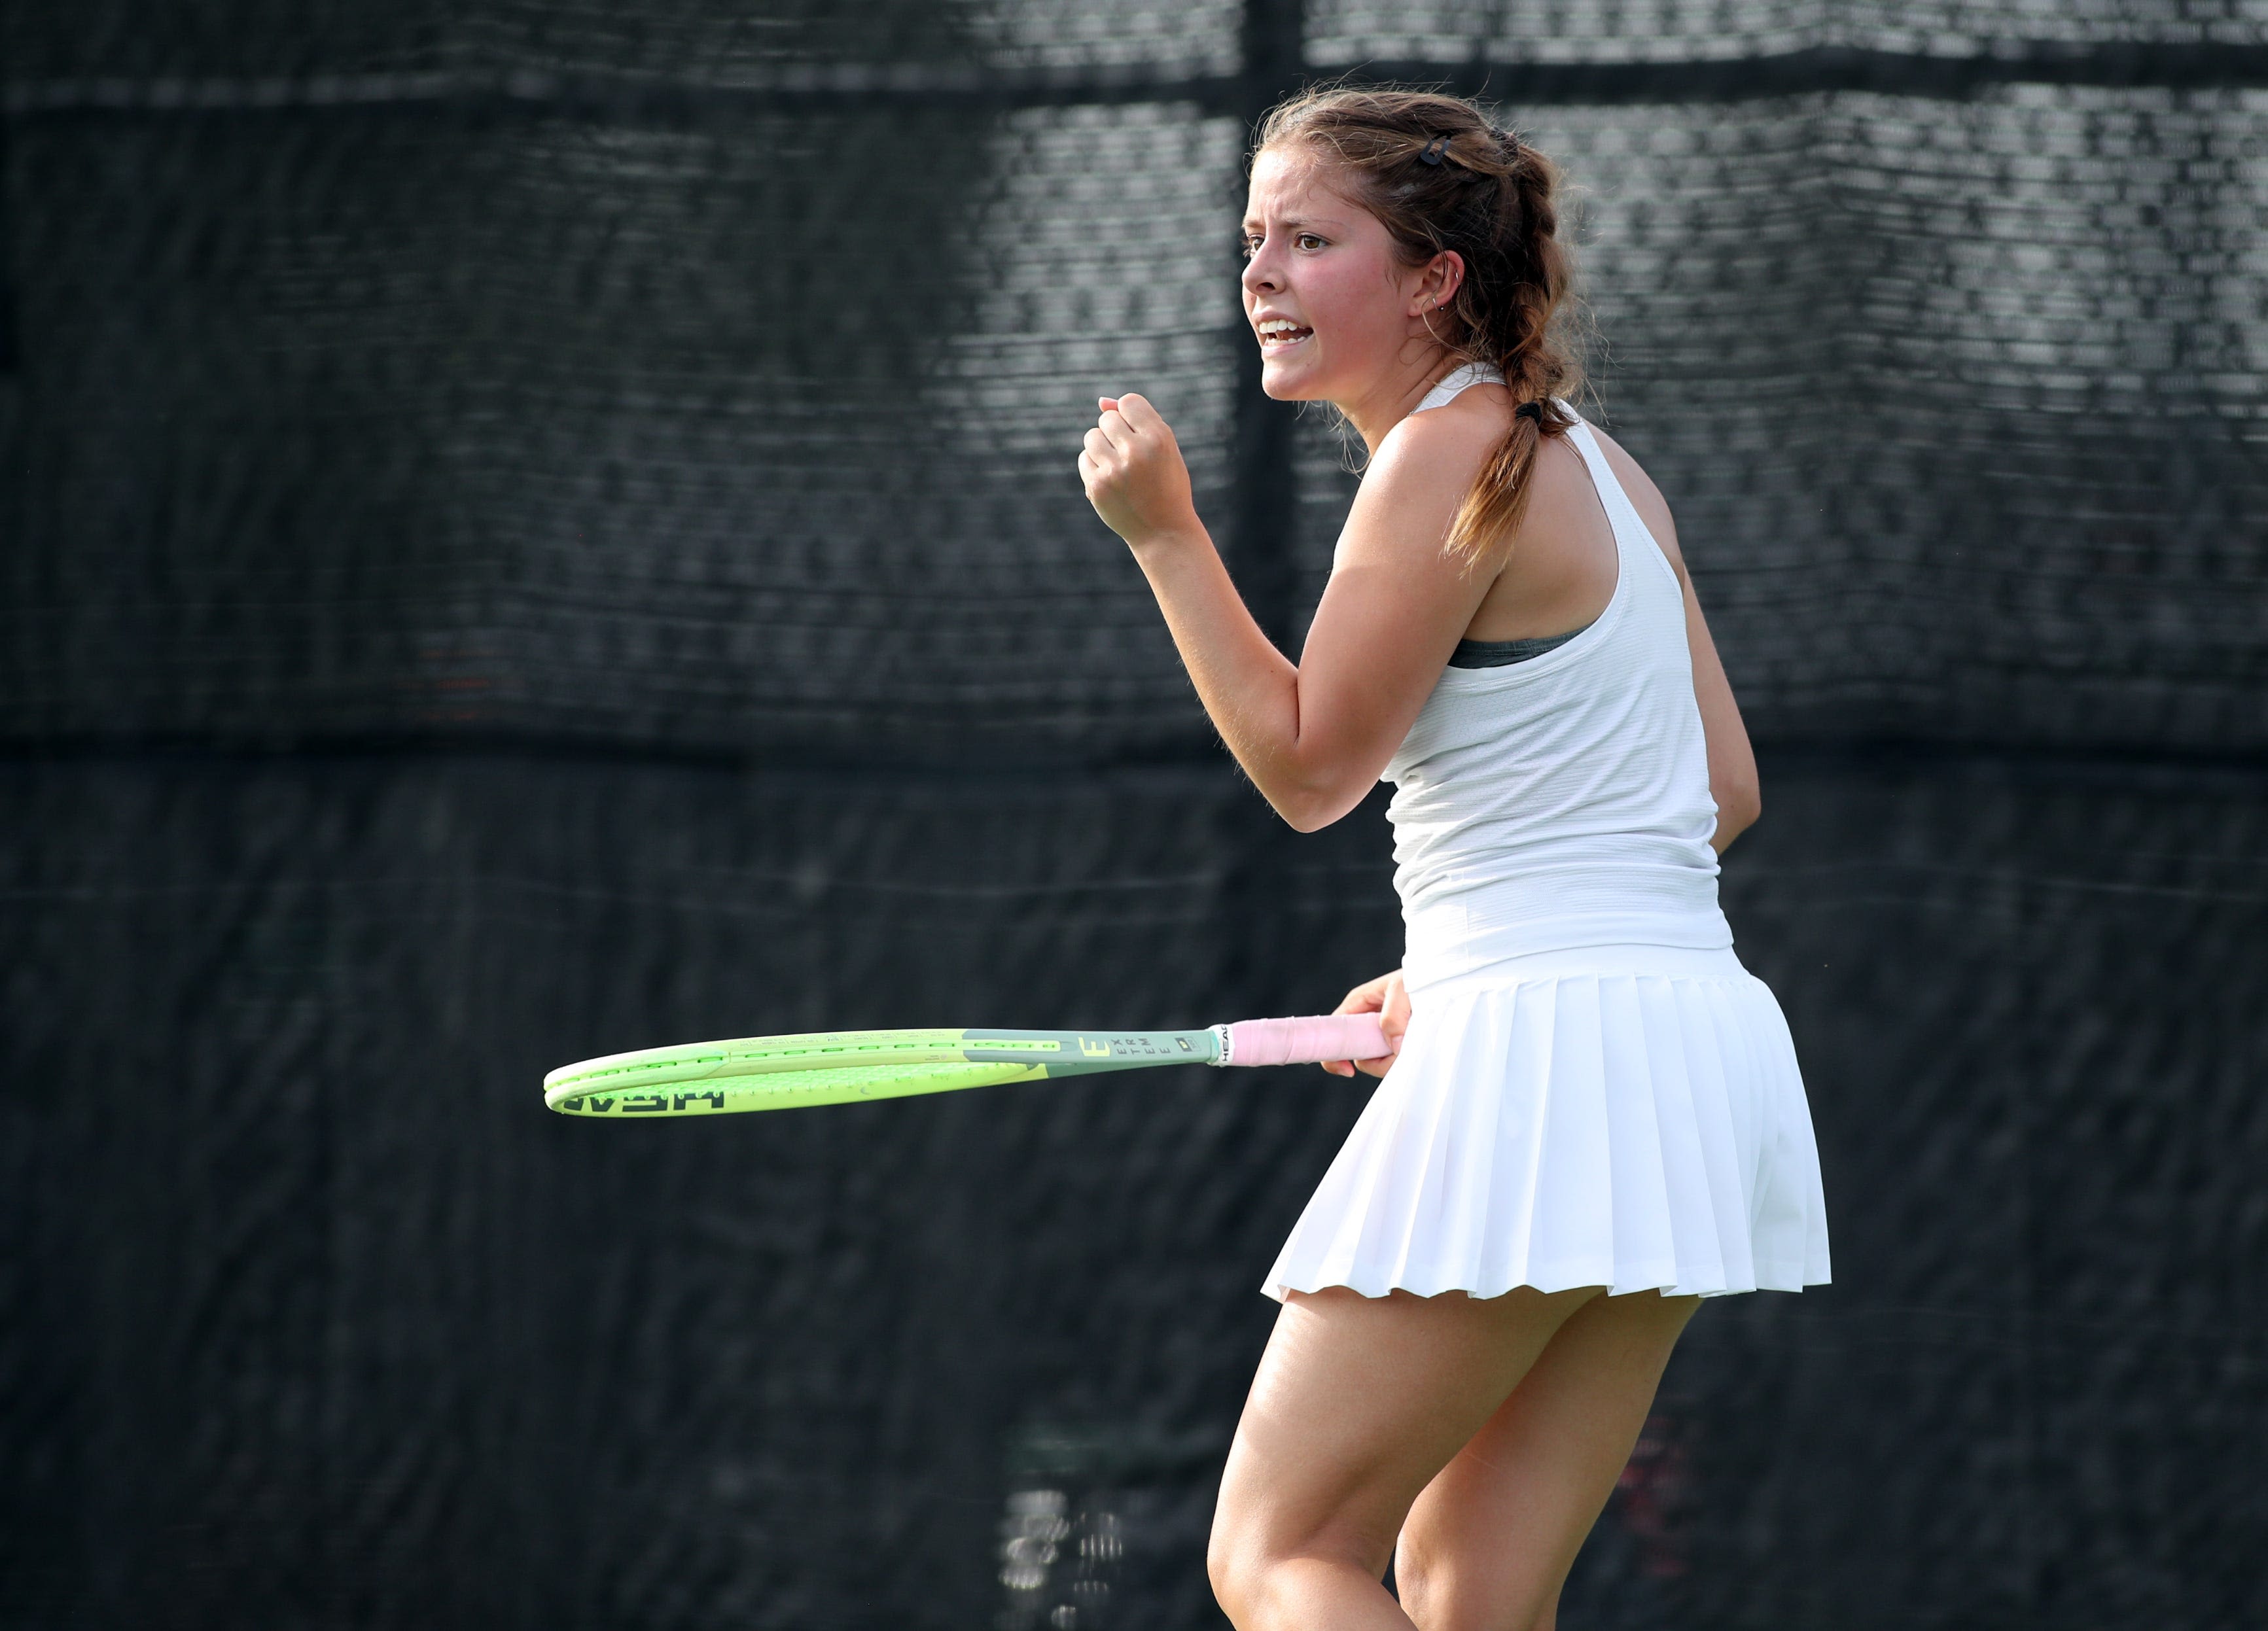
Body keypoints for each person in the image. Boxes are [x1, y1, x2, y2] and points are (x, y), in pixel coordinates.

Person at [1076, 86, 1830, 1631]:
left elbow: (1304, 767)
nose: (1261, 274)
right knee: (1467, 1588)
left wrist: (1164, 534)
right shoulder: (1603, 465)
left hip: (1554, 1046)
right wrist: (1456, 960)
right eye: (1252, 239)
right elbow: (1722, 791)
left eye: (1310, 238)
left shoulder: (1441, 459)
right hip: (1694, 1047)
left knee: (1281, 1554)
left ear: (1431, 279)